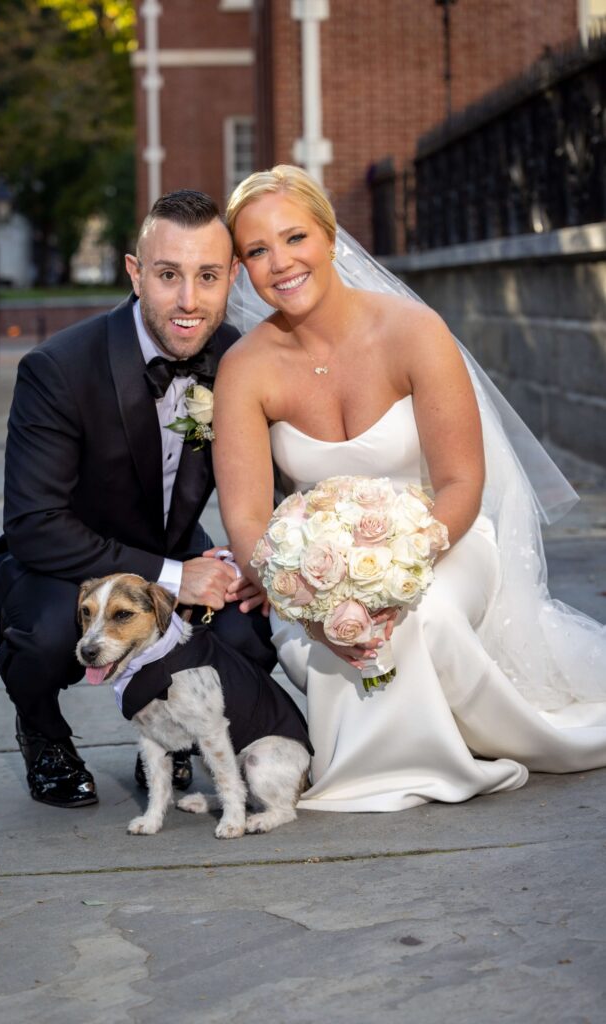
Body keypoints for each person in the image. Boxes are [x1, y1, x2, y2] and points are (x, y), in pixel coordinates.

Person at [212, 164, 606, 813]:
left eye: (294, 238)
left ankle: (452, 752)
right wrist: (314, 598)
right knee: (338, 636)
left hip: (445, 543)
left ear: (330, 236)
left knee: (427, 618)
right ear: (244, 269)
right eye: (256, 250)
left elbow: (460, 482)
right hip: (315, 571)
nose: (279, 262)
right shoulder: (243, 370)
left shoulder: (412, 332)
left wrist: (393, 573)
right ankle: (395, 749)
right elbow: (248, 517)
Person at [0, 189, 274, 808]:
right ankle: (44, 734)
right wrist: (175, 576)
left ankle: (175, 734)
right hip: (62, 564)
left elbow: (277, 479)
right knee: (44, 636)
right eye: (168, 275)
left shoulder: (241, 360)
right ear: (136, 274)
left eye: (208, 277)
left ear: (232, 279)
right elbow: (35, 524)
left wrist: (259, 563)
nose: (189, 301)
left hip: (174, 547)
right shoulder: (58, 369)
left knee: (249, 633)